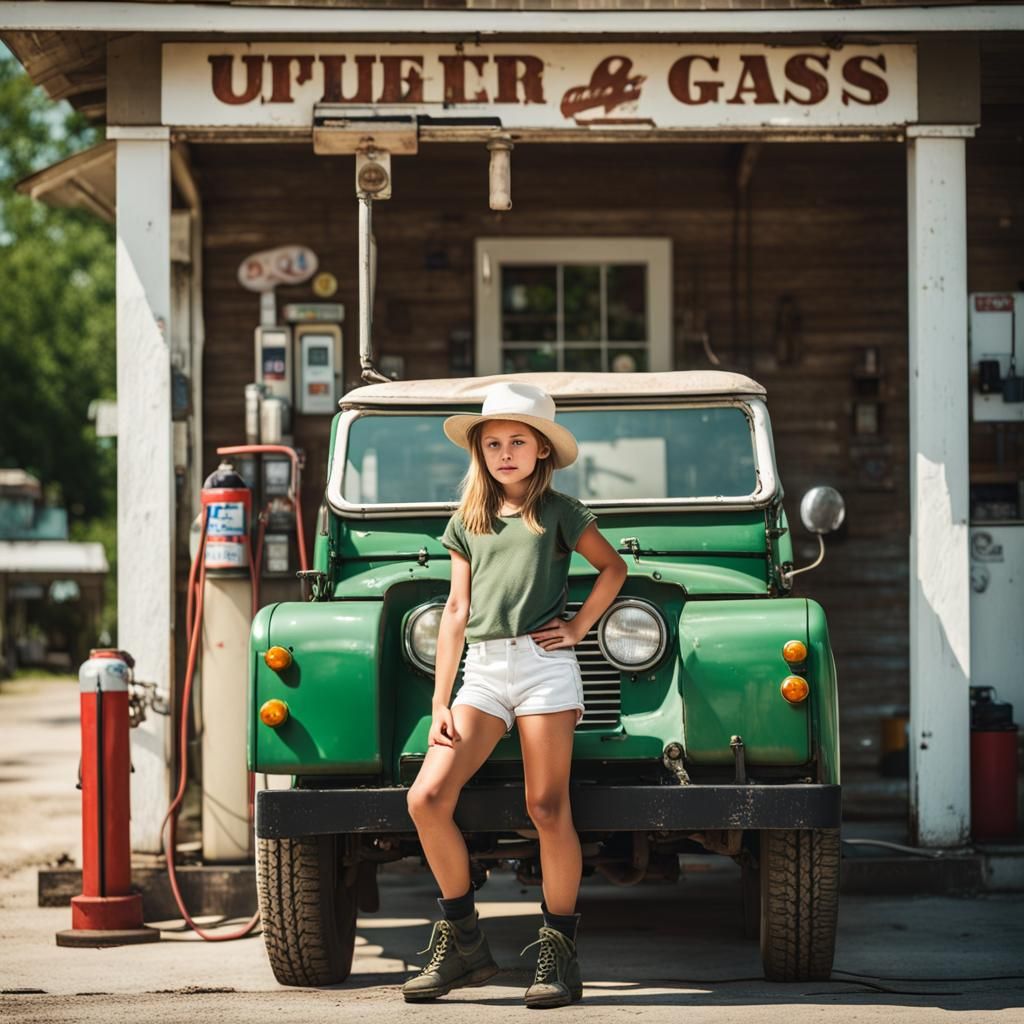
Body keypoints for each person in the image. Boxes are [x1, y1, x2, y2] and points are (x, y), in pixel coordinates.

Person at [402, 381, 628, 1009]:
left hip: (544, 668)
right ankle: (466, 943)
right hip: (482, 671)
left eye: (518, 442)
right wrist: (439, 700)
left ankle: (559, 951)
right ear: (480, 452)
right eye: (493, 442)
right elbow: (455, 609)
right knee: (426, 797)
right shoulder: (466, 520)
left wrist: (580, 628)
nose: (505, 453)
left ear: (541, 451)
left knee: (547, 807)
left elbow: (614, 568)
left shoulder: (560, 511)